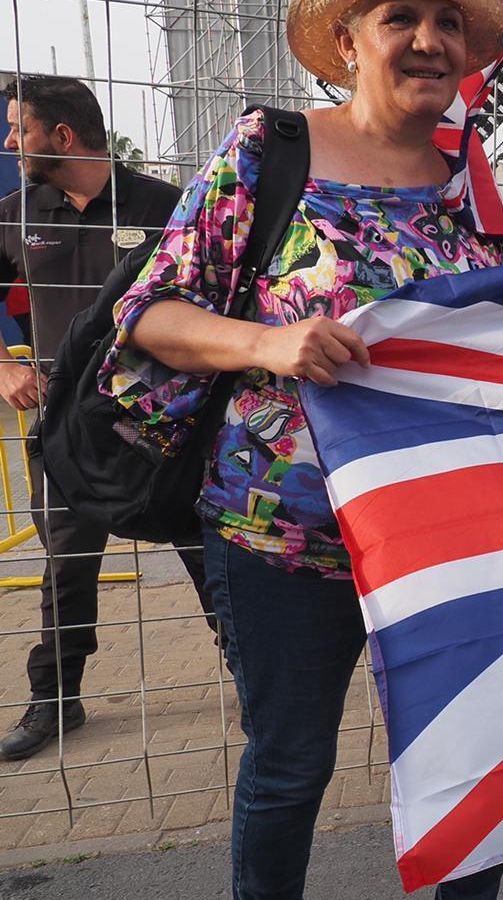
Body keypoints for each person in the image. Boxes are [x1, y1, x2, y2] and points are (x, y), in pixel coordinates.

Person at [88, 0, 503, 895]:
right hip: (284, 532)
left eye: (450, 21)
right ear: (346, 43)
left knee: (475, 760)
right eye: (398, 16)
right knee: (291, 766)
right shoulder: (273, 148)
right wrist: (269, 343)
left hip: (456, 533)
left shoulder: (470, 175)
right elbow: (150, 315)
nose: (428, 39)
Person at [0, 75, 215, 762]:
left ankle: (253, 671)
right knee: (65, 566)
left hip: (164, 422)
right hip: (68, 429)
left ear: (61, 136)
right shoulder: (16, 213)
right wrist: (5, 366)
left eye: (17, 127)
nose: (9, 140)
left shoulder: (165, 206)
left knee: (205, 549)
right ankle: (55, 700)